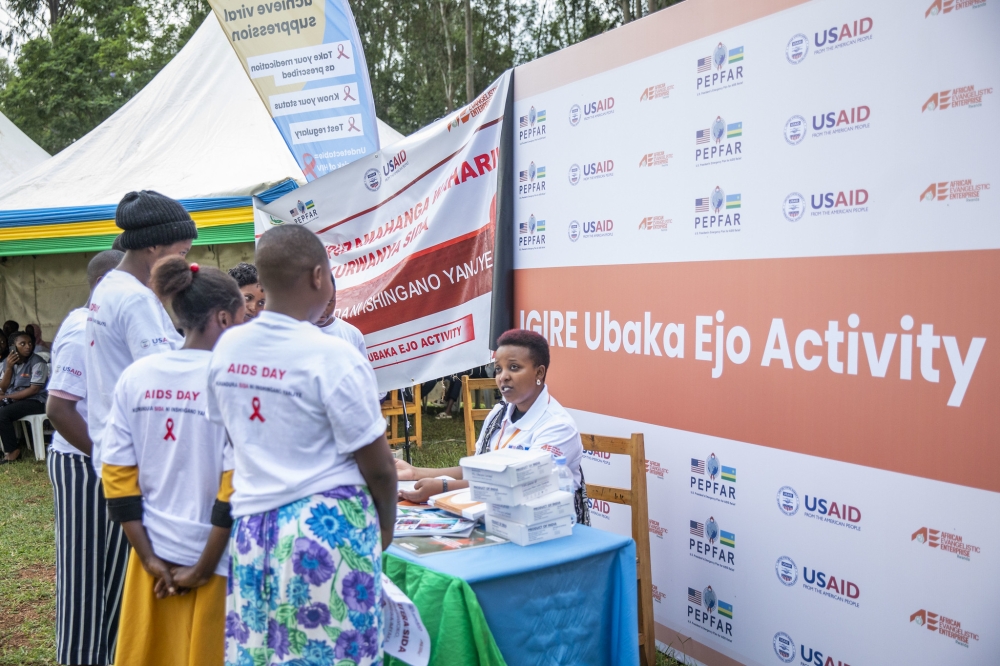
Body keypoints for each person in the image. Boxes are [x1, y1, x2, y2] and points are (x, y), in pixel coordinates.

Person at [207, 225, 397, 666]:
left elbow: (231, 436)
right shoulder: (332, 355)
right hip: (325, 534)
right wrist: (383, 530)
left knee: (261, 651)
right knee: (332, 654)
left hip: (253, 530)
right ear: (318, 277)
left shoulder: (227, 347)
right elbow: (381, 468)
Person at [102, 257, 244, 666]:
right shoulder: (232, 381)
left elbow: (117, 478)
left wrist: (148, 558)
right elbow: (232, 491)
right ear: (223, 317)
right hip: (217, 563)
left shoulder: (137, 376)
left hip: (152, 559)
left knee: (150, 653)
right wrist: (201, 569)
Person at [83, 190, 197, 661]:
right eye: (182, 254)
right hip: (144, 464)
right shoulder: (135, 301)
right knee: (158, 582)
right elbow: (165, 380)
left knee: (134, 580)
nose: (181, 265)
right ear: (154, 247)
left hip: (118, 456)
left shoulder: (107, 288)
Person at [397, 329, 591, 525]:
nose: (503, 377)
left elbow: (524, 486)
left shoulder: (557, 426)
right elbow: (477, 472)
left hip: (545, 529)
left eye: (514, 367)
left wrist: (446, 487)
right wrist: (416, 472)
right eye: (498, 369)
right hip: (496, 520)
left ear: (539, 372)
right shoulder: (498, 414)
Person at [45, 249, 124, 666]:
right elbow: (59, 410)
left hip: (111, 465)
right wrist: (109, 459)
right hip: (82, 463)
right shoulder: (82, 328)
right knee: (83, 582)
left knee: (116, 578)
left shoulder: (116, 324)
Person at [0, 330, 49, 463]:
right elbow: (2, 388)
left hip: (37, 401)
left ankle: (13, 452)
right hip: (16, 400)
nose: (28, 346)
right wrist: (9, 368)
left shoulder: (38, 362)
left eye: (30, 343)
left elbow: (34, 389)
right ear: (13, 347)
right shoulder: (7, 363)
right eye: (23, 344)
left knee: (3, 413)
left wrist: (8, 397)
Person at [315, 273, 367, 356]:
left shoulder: (352, 334)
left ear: (335, 296)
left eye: (328, 302)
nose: (323, 309)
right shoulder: (295, 335)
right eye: (317, 303)